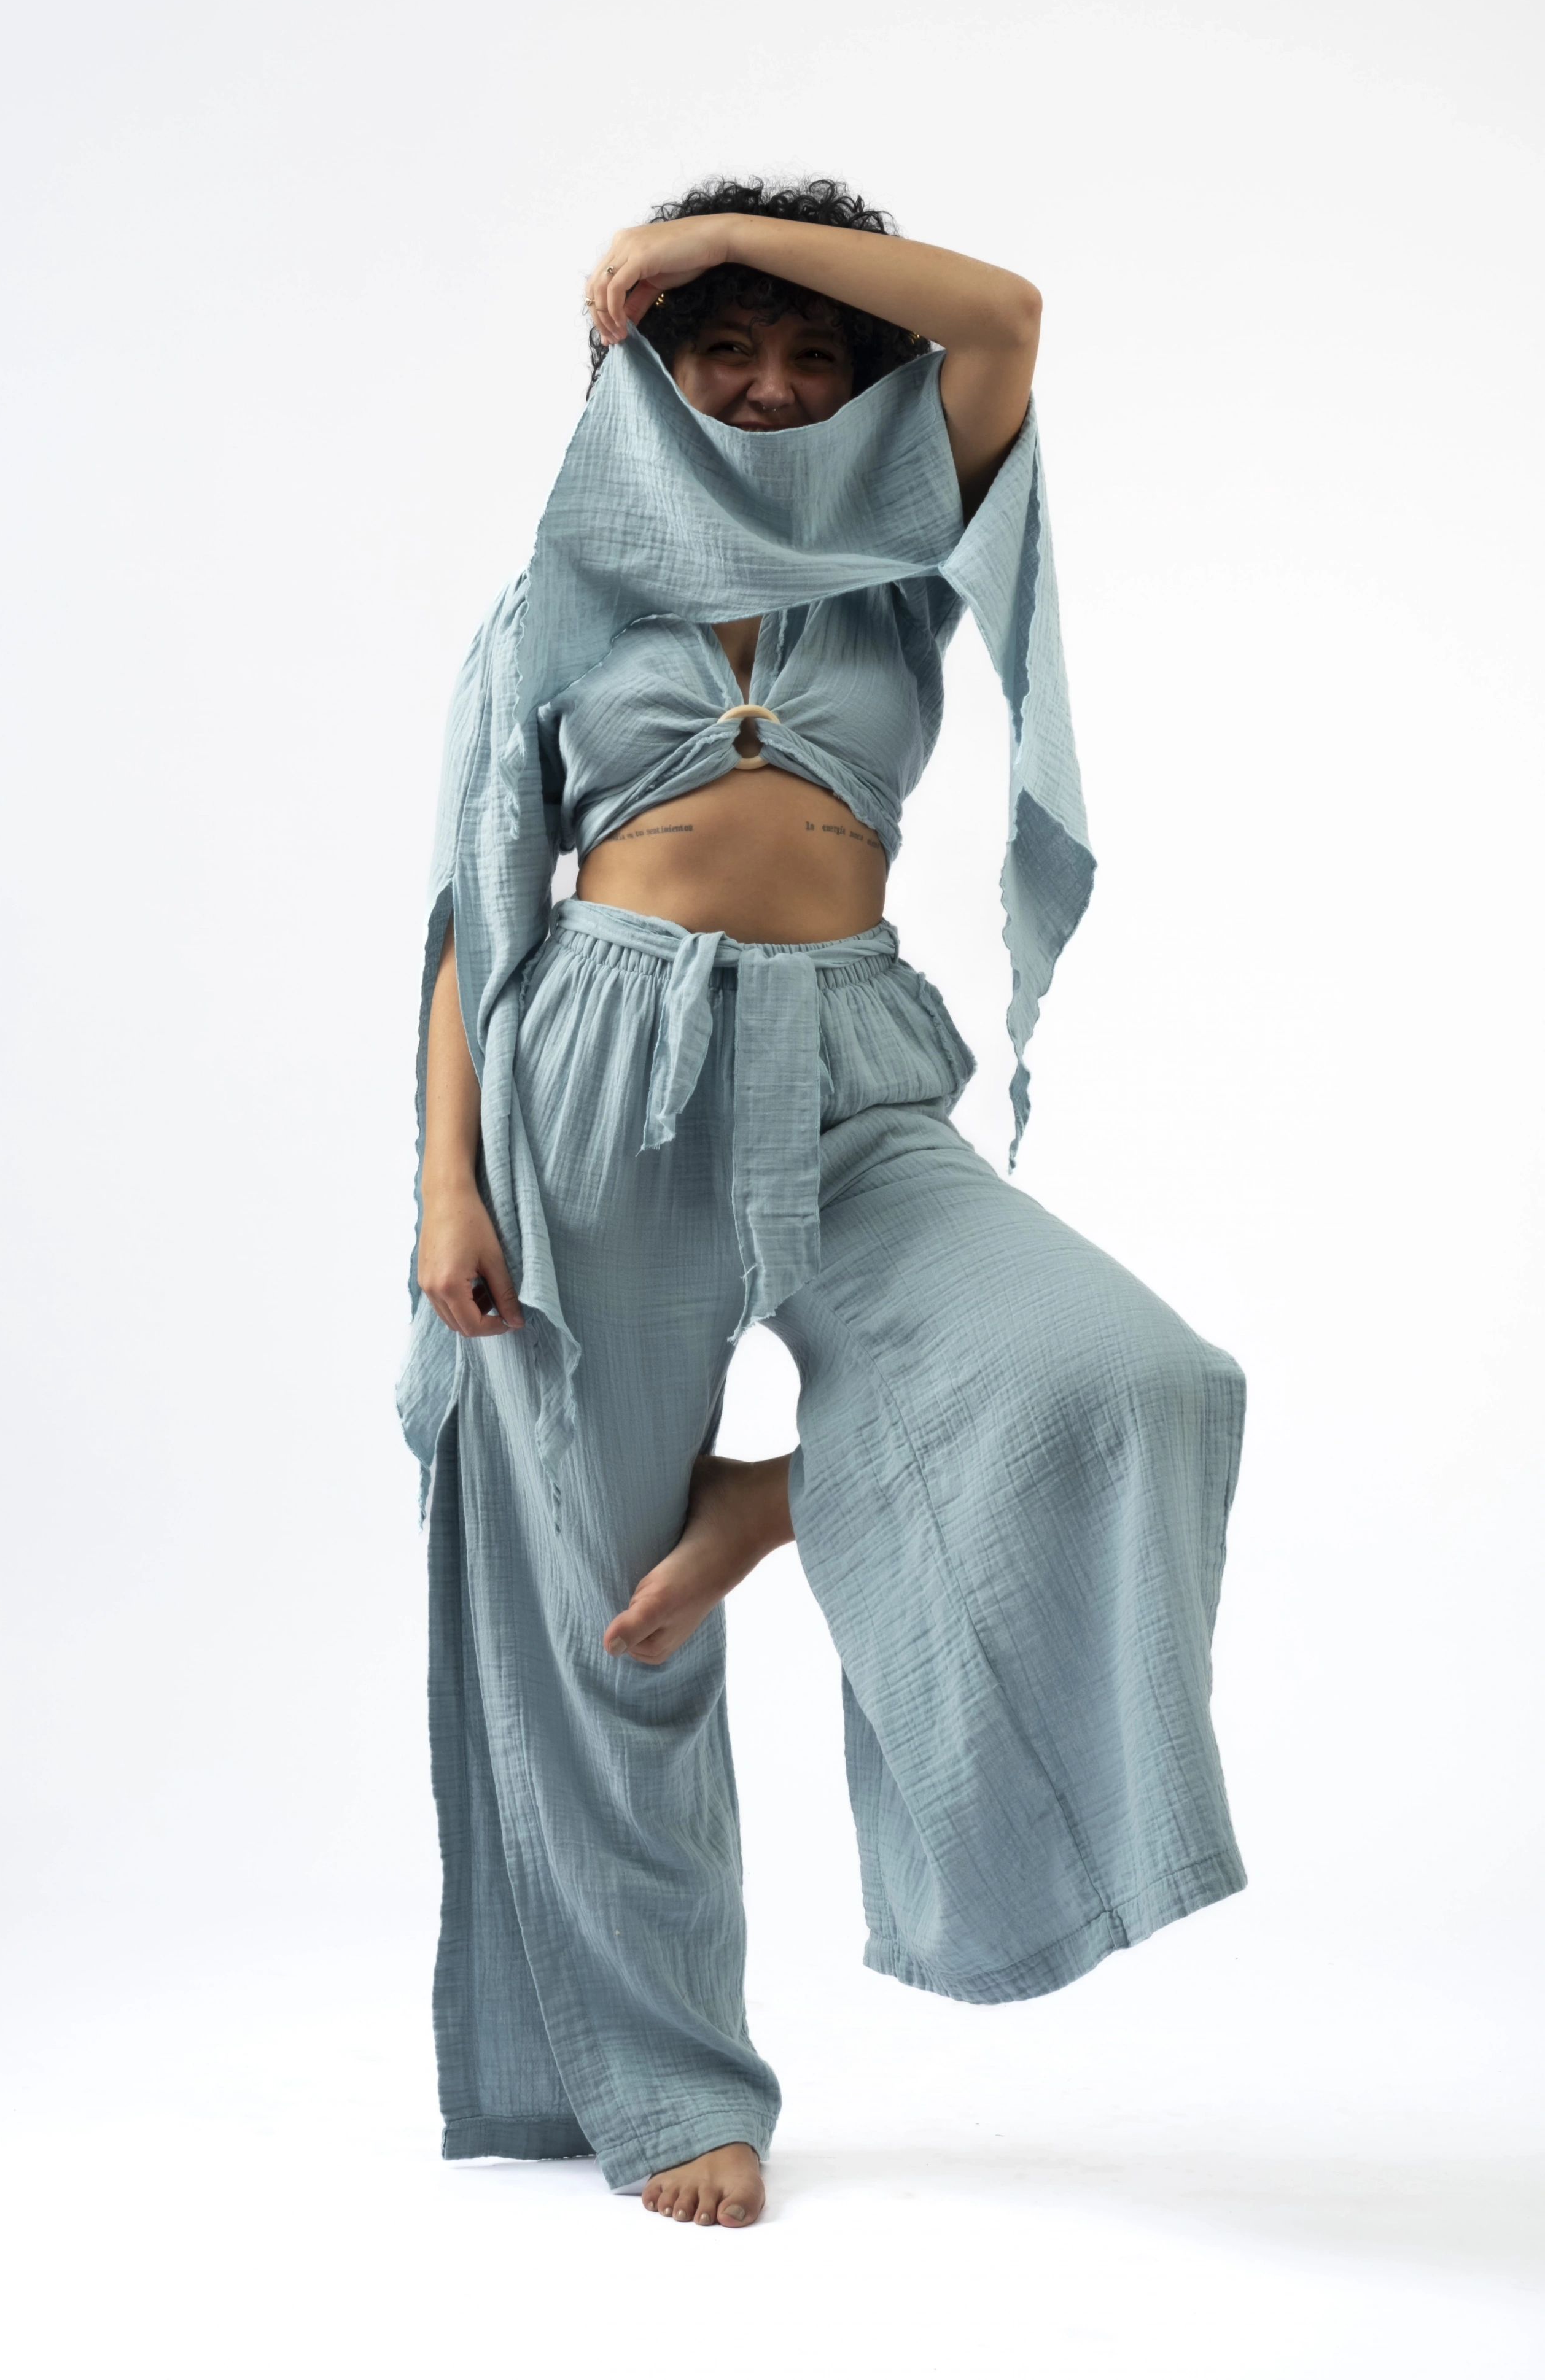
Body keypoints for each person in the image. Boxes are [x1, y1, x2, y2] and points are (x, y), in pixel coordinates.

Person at [398, 179, 1245, 2231]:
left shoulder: (891, 572)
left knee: (1123, 1375)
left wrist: (705, 231)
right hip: (590, 1079)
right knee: (604, 1627)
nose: (772, 384)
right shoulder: (554, 603)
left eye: (809, 357)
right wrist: (447, 1184)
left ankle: (771, 1503)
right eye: (725, 352)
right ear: (646, 379)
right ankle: (672, 2074)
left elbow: (1002, 318)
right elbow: (472, 907)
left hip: (848, 1061)